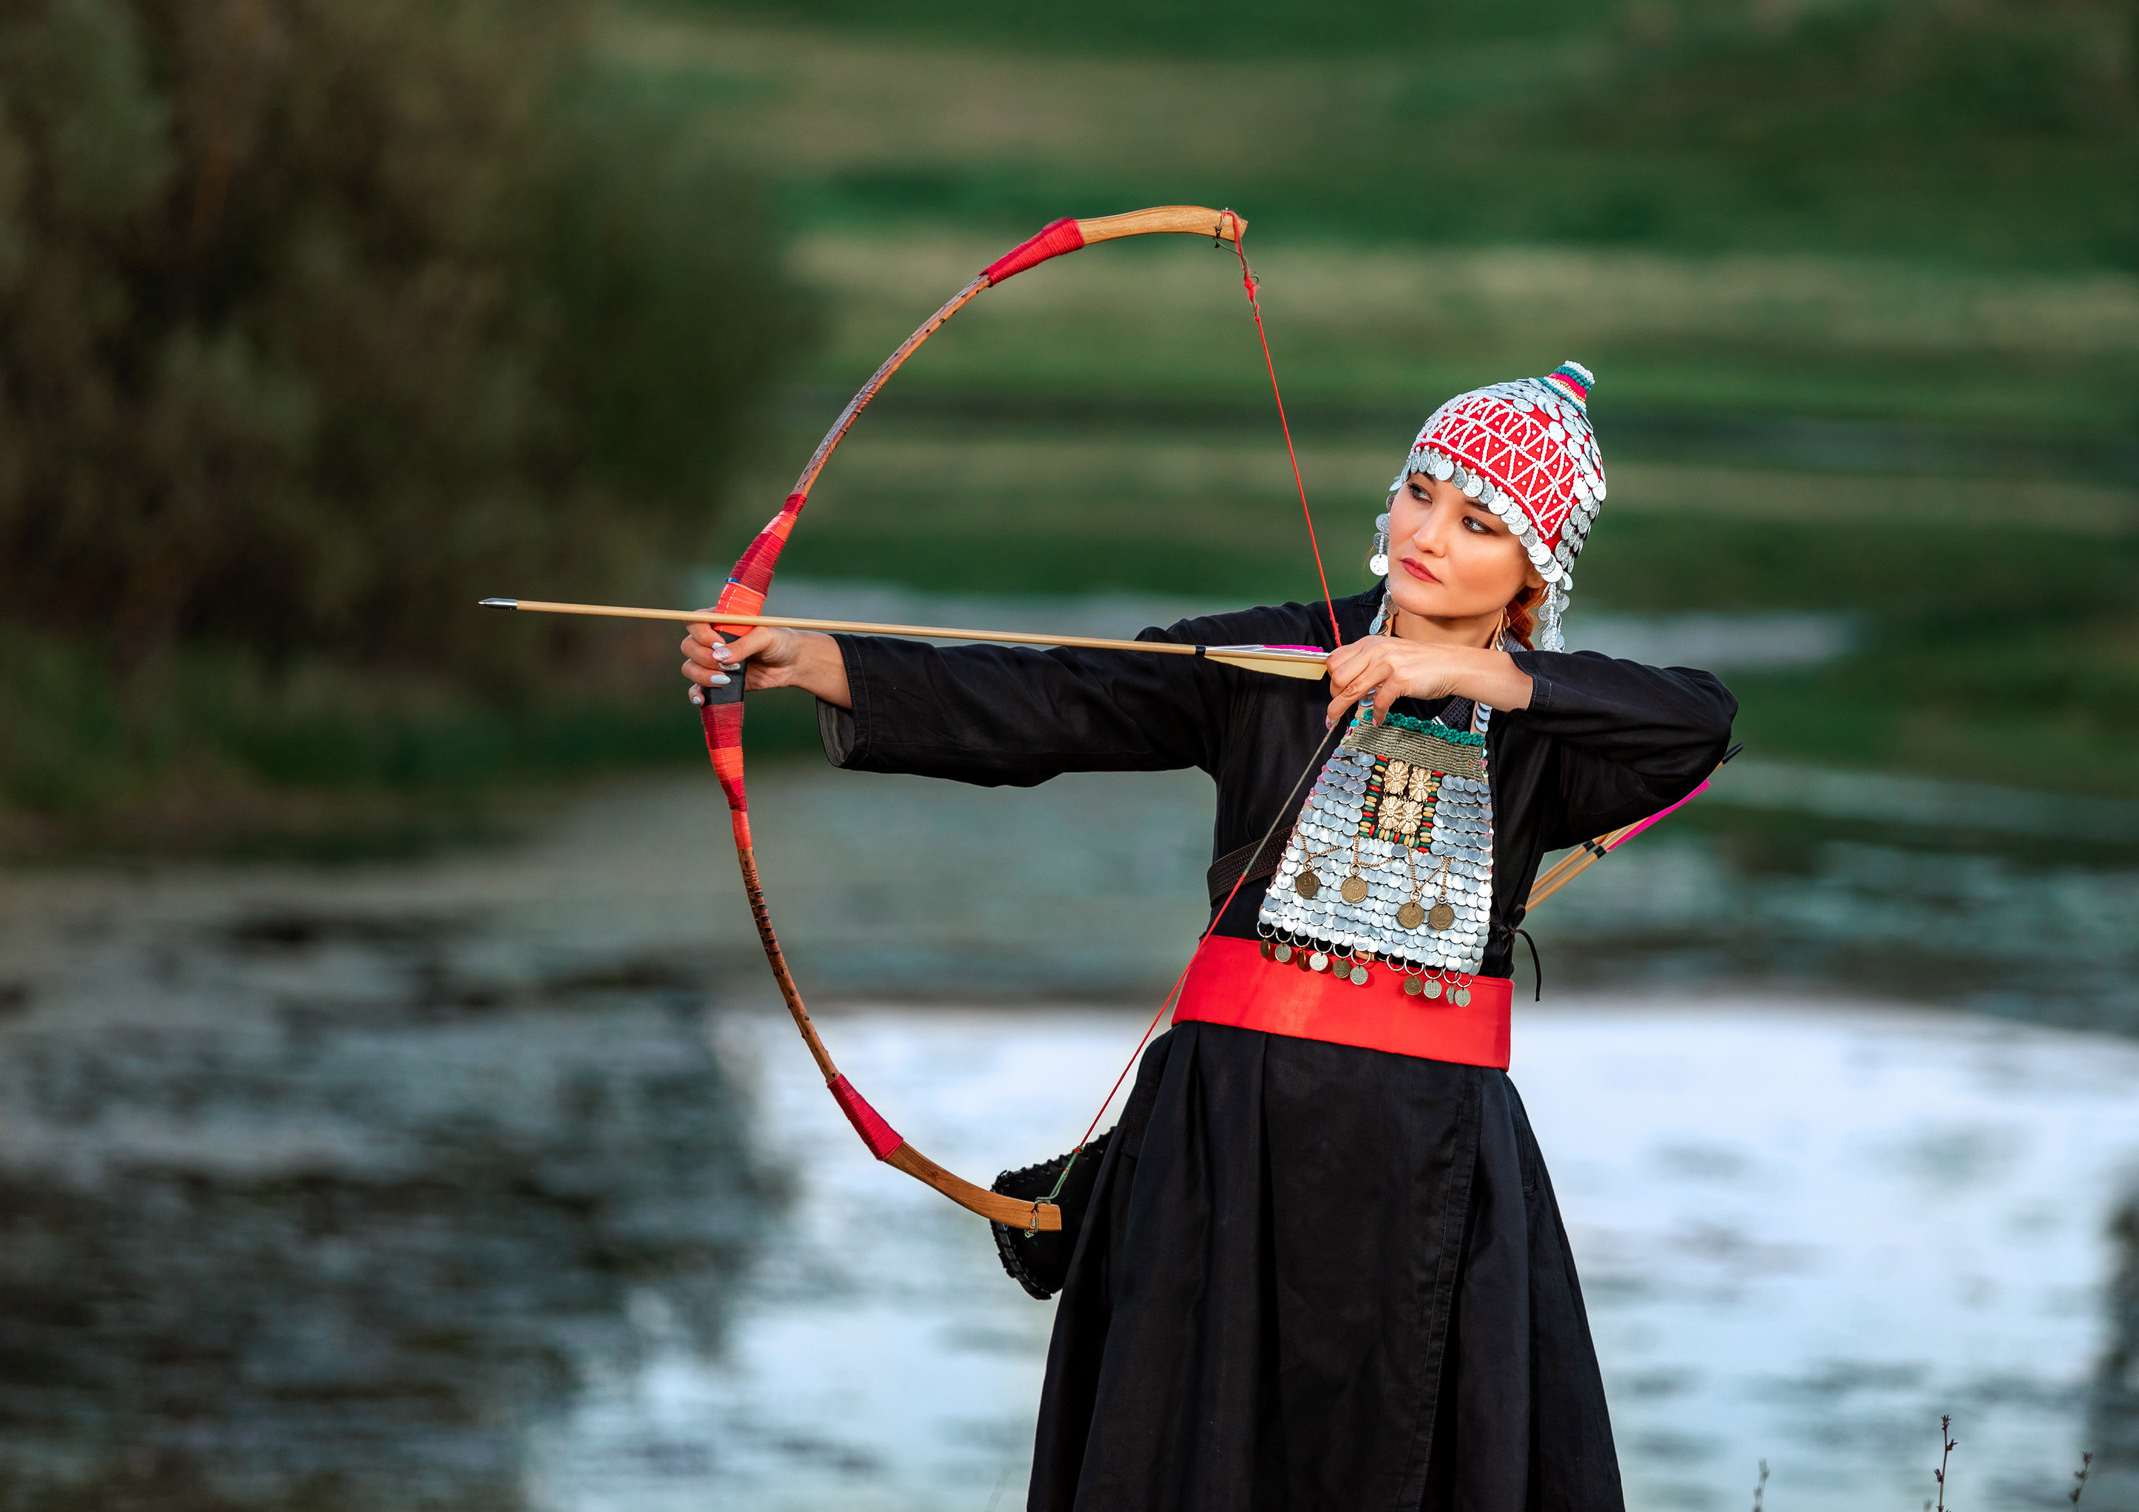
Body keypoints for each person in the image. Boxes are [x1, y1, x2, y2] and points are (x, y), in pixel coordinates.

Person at [680, 361, 1735, 1512]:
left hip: (1433, 1163)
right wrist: (822, 661)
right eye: (1419, 491)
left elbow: (1699, 723)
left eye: (1477, 522)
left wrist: (1483, 675)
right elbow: (1064, 700)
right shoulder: (1276, 662)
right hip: (1227, 1137)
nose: (1429, 530)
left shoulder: (1551, 725)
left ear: (1530, 572)